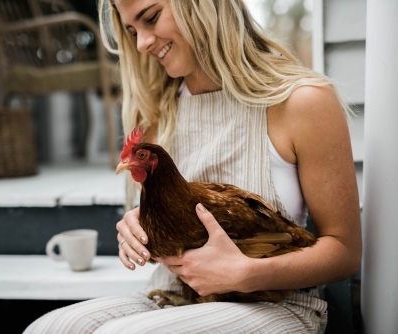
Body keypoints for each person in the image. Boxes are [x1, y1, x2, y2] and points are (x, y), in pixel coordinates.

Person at [23, 0, 362, 333]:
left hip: (274, 303)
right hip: (176, 296)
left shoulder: (302, 102)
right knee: (50, 328)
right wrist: (138, 230)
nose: (141, 43)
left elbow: (344, 253)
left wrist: (246, 273)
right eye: (132, 31)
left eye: (151, 17)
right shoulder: (158, 118)